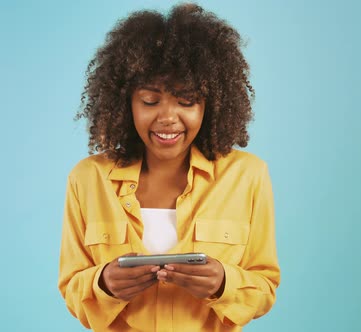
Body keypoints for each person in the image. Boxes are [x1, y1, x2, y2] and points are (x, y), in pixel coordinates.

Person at [58, 3, 280, 331]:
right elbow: (71, 287)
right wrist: (103, 283)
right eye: (150, 101)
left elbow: (265, 286)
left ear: (211, 104)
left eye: (186, 101)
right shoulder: (88, 179)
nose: (167, 118)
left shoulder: (248, 176)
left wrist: (223, 284)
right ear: (125, 102)